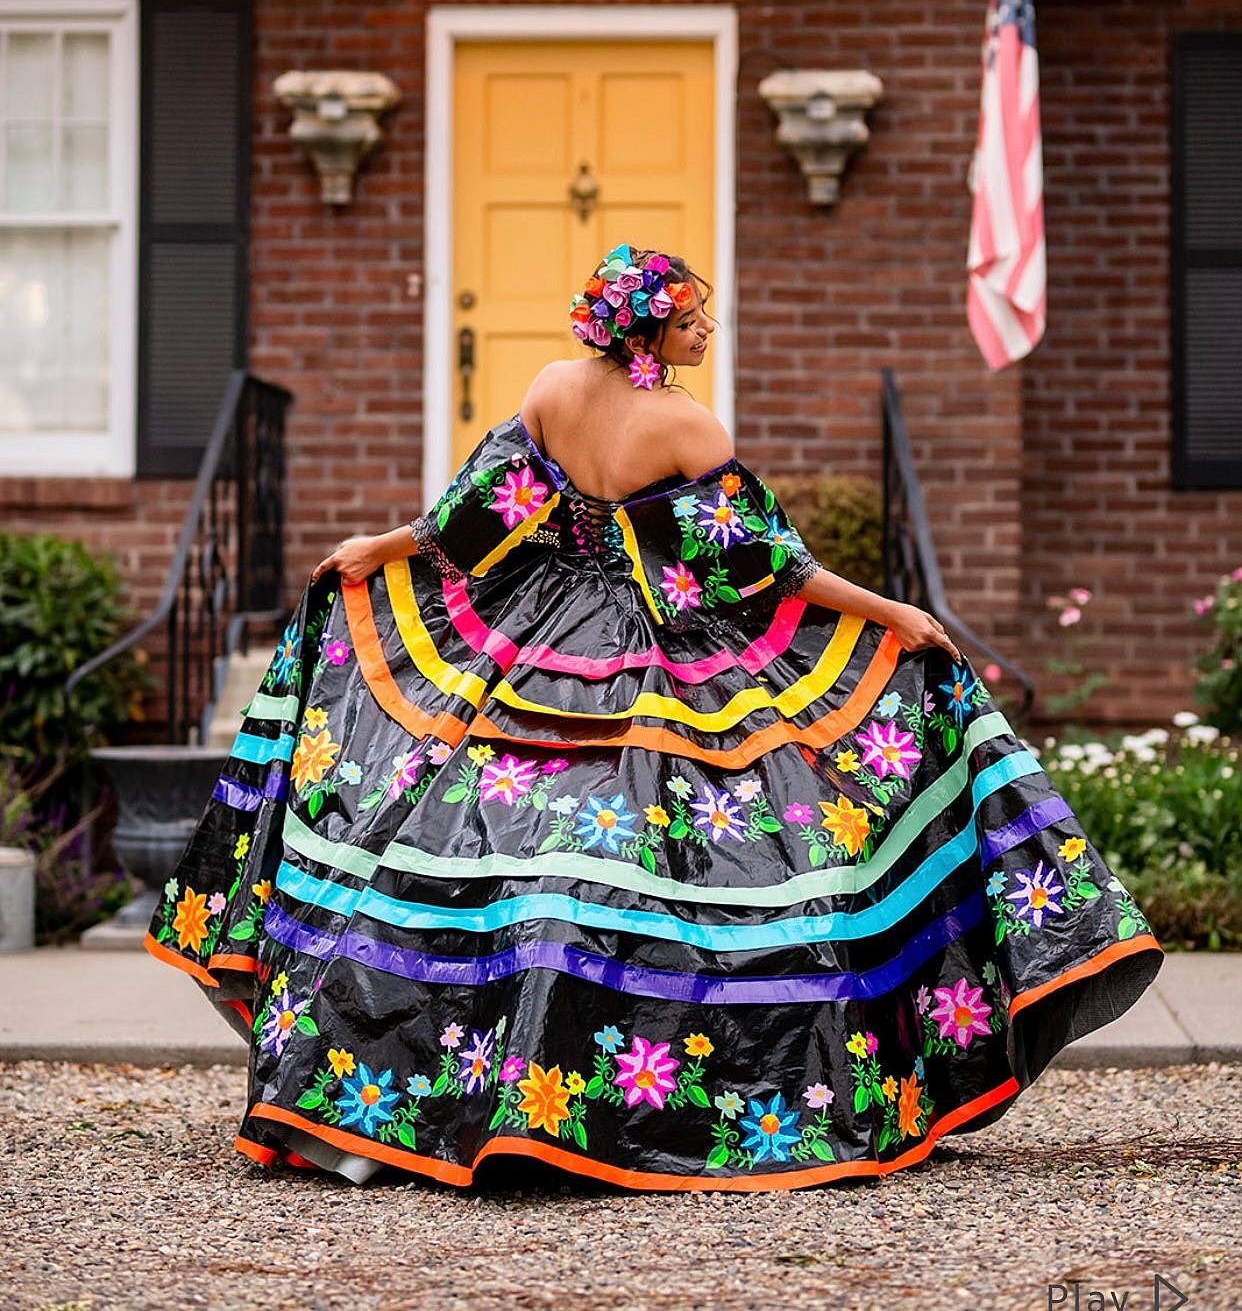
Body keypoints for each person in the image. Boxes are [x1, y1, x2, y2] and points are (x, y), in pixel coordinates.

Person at [145, 242, 1162, 1191]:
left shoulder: (551, 387)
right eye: (691, 319)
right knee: (691, 852)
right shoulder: (687, 426)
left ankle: (433, 1104)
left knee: (489, 837)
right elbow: (764, 568)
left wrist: (380, 542)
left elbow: (476, 518)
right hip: (651, 651)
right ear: (648, 333)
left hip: (534, 634)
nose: (706, 331)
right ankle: (605, 1105)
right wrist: (894, 612)